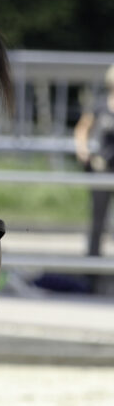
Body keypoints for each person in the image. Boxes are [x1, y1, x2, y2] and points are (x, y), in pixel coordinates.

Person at [74, 63, 114, 262]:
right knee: (98, 219)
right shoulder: (100, 106)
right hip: (102, 169)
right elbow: (82, 128)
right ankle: (93, 262)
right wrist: (83, 149)